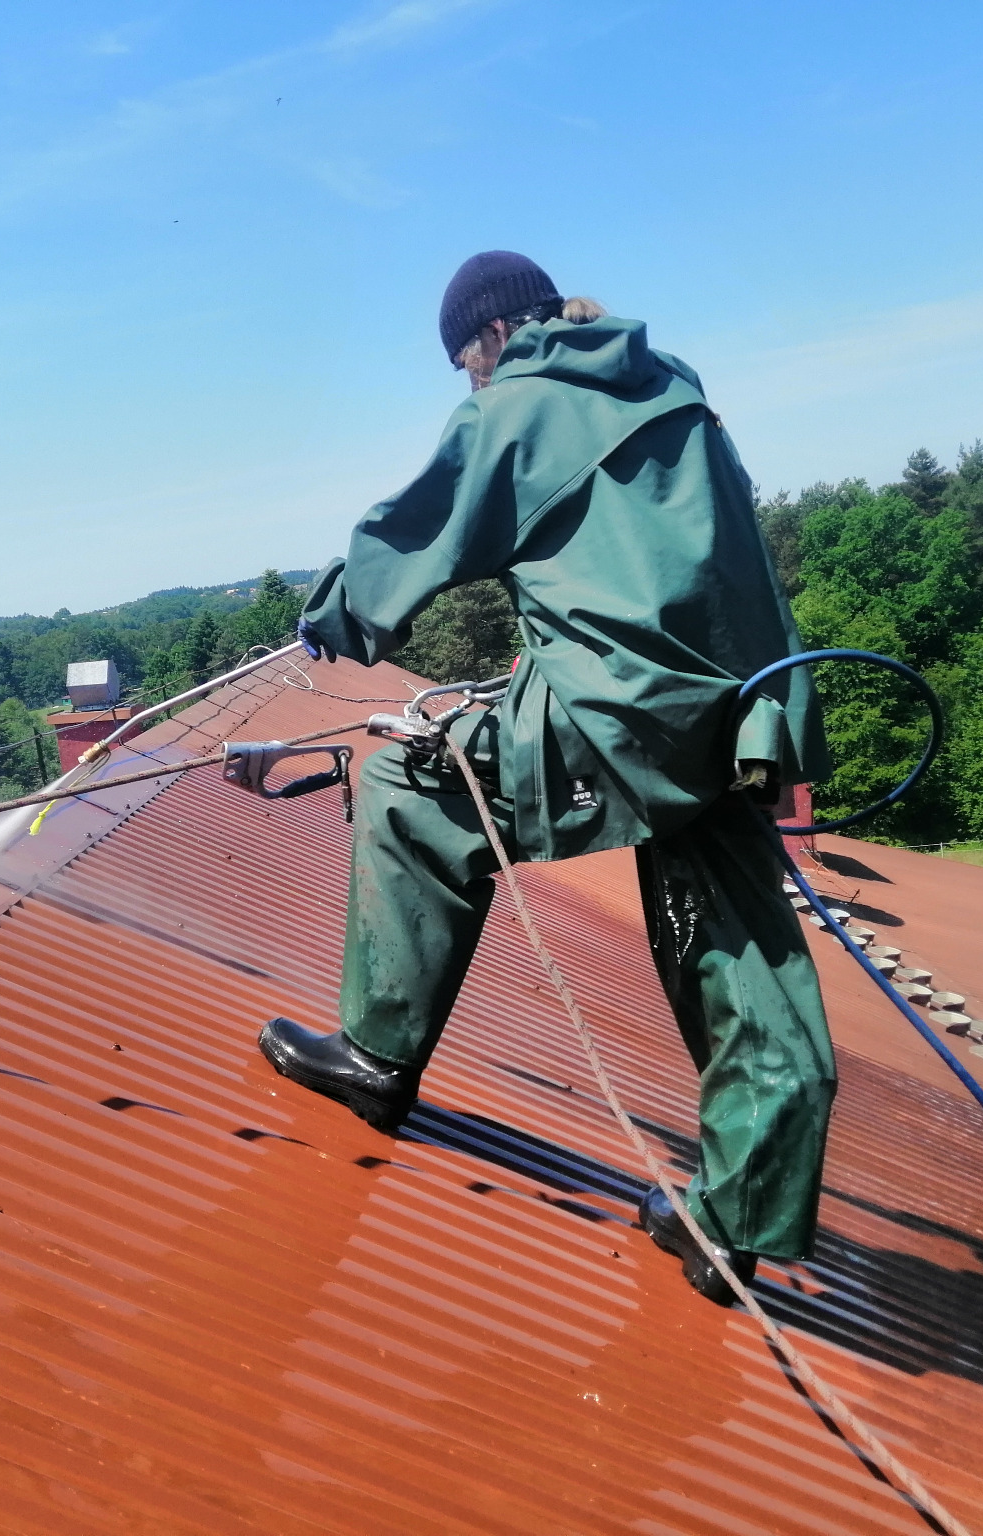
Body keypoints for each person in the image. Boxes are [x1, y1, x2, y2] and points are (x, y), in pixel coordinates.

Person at [261, 250, 835, 1304]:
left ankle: (377, 1060)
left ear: (487, 338)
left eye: (461, 365)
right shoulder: (670, 389)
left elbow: (419, 534)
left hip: (612, 711)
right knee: (732, 933)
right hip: (732, 710)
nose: (467, 385)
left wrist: (337, 608)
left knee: (407, 793)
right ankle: (733, 1218)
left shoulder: (514, 407)